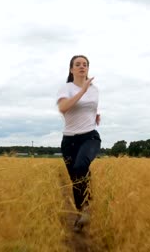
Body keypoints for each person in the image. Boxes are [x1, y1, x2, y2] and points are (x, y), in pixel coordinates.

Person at [56, 55, 101, 232]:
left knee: (81, 165)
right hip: (69, 141)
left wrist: (96, 115)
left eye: (85, 64)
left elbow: (92, 107)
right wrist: (82, 90)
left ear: (87, 68)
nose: (82, 67)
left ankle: (87, 208)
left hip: (89, 136)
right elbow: (63, 108)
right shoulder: (66, 88)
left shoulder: (95, 89)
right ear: (71, 69)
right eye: (78, 64)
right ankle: (82, 212)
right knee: (75, 178)